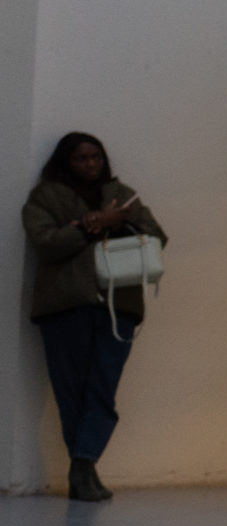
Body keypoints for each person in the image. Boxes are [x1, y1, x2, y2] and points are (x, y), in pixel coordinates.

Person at [21, 132, 167, 502]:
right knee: (71, 390)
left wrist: (117, 223)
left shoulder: (123, 194)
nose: (90, 164)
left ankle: (82, 465)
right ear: (65, 162)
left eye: (96, 157)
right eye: (81, 158)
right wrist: (91, 225)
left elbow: (157, 237)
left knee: (103, 388)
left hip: (119, 306)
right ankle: (84, 470)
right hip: (65, 305)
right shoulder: (46, 197)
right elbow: (44, 242)